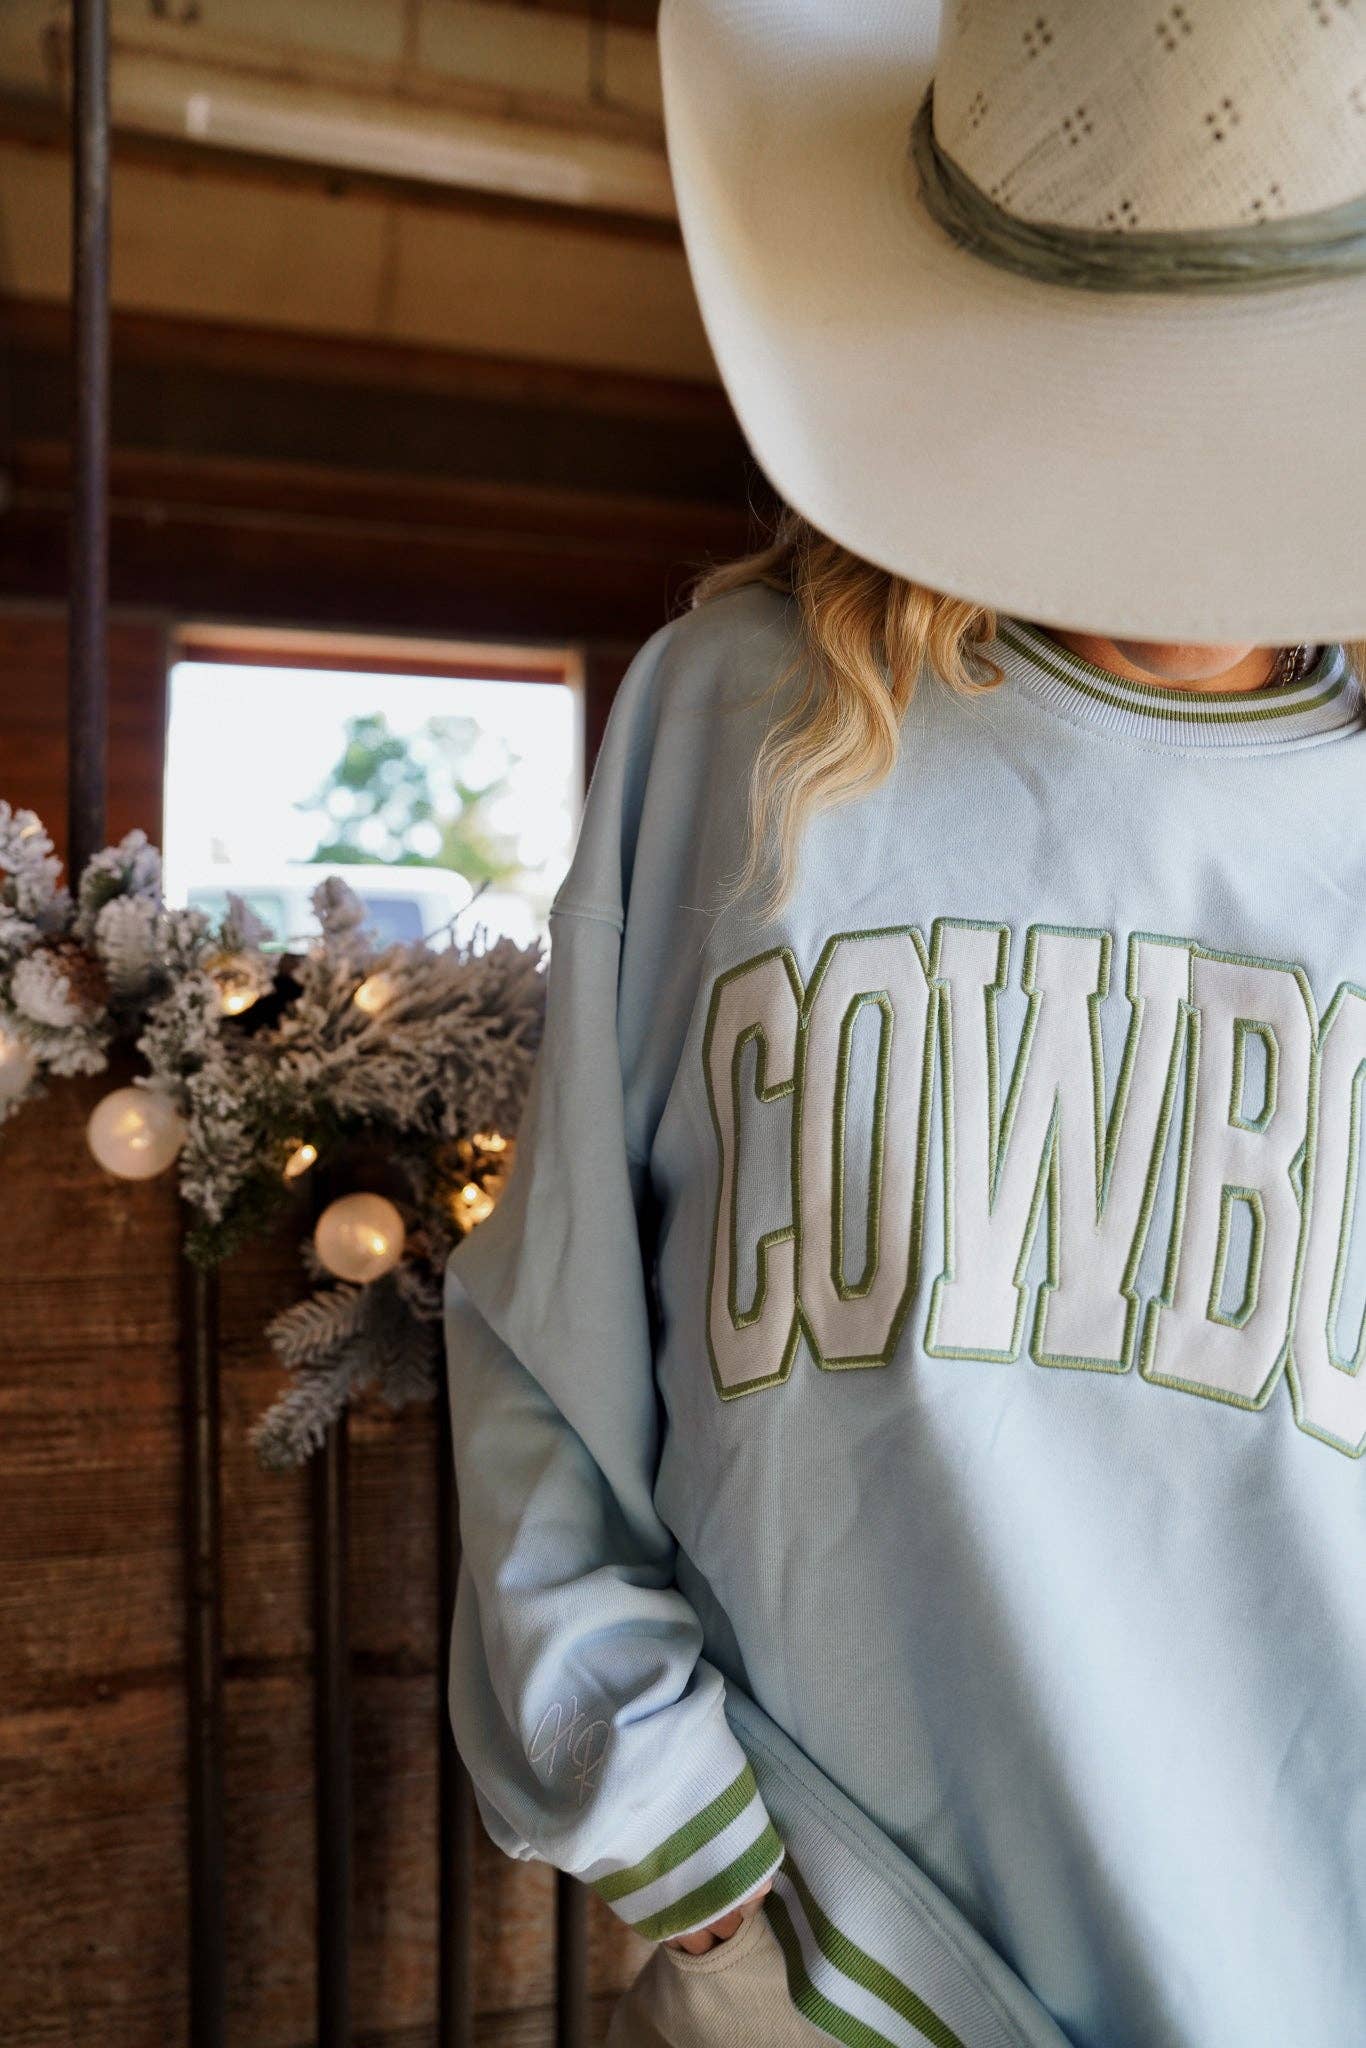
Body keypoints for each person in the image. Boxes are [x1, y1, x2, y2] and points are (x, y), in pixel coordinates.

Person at [443, 3, 1366, 2043]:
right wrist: (692, 1866)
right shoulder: (740, 726)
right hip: (845, 1965)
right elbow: (547, 1331)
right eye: (1120, 378)